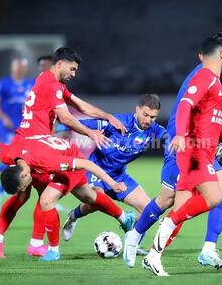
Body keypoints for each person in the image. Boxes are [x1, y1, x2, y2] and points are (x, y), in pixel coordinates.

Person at [123, 33, 222, 270]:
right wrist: (180, 136)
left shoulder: (212, 79)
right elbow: (186, 107)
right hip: (189, 146)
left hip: (202, 146)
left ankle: (205, 249)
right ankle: (136, 236)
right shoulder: (203, 77)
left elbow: (208, 117)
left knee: (221, 192)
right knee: (173, 201)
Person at [0, 135, 134, 260]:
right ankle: (124, 218)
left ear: (24, 174)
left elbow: (87, 165)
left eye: (22, 186)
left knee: (46, 200)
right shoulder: (10, 155)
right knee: (89, 197)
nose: (24, 189)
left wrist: (113, 184)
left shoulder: (44, 161)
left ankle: (53, 251)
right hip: (48, 153)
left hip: (68, 158)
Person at [60, 94, 165, 248]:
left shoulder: (154, 130)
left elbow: (171, 136)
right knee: (97, 201)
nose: (148, 120)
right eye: (146, 115)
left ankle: (132, 245)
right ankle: (73, 216)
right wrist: (59, 127)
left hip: (118, 175)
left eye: (153, 117)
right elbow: (89, 123)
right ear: (137, 110)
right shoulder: (119, 122)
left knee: (149, 210)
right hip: (97, 170)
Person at [0, 58, 33, 212]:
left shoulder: (29, 84)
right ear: (13, 68)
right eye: (17, 65)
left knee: (23, 159)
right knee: (13, 158)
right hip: (8, 127)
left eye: (22, 66)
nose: (20, 68)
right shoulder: (4, 83)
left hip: (23, 128)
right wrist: (4, 118)